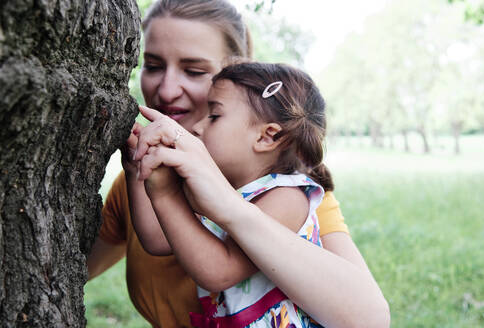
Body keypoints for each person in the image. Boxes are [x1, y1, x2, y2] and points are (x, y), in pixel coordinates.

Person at [87, 1, 390, 327]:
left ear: (236, 74)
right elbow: (64, 267)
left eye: (194, 71)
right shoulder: (144, 183)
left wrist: (227, 205)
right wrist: (140, 172)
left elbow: (369, 319)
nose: (166, 89)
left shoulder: (285, 191)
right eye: (154, 66)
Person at [131, 61, 351, 327]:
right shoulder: (224, 191)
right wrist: (136, 168)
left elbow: (218, 271)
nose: (198, 127)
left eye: (214, 116)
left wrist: (167, 195)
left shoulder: (287, 198)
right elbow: (157, 239)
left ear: (267, 137)